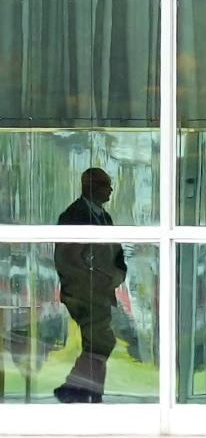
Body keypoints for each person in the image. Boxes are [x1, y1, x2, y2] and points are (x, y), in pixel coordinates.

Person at [54, 167, 126, 403]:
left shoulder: (104, 217)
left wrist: (116, 276)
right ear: (90, 186)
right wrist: (92, 283)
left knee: (97, 342)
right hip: (82, 294)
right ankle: (82, 388)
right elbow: (68, 259)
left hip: (102, 293)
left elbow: (116, 253)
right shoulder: (73, 216)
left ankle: (82, 389)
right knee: (102, 340)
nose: (111, 190)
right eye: (106, 185)